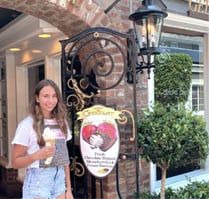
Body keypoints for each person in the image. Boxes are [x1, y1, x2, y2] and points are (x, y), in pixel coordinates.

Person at [12, 79, 74, 199]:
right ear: (37, 98)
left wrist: (68, 189)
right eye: (46, 96)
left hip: (60, 181)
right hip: (38, 182)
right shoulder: (26, 125)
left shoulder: (62, 122)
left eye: (54, 96)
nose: (50, 101)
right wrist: (36, 156)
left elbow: (64, 159)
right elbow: (15, 162)